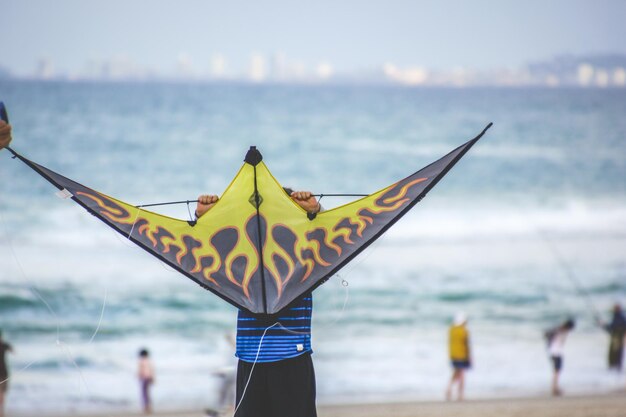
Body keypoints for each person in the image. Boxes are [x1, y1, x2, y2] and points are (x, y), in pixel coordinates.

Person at [195, 190, 321, 417]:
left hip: (293, 358)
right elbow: (208, 249)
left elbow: (333, 242)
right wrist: (205, 217)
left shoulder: (305, 257)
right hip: (250, 359)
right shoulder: (243, 260)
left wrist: (315, 212)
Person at [545, 318, 575, 396]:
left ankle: (555, 388)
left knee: (557, 371)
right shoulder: (560, 330)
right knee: (557, 371)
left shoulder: (559, 330)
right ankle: (554, 388)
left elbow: (548, 335)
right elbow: (549, 335)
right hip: (556, 352)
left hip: (553, 352)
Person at [445, 312, 471, 401]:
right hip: (462, 354)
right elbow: (466, 344)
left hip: (453, 355)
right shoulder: (464, 331)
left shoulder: (451, 330)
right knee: (462, 374)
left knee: (455, 372)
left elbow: (450, 343)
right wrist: (469, 356)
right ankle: (460, 394)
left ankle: (449, 388)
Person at [597, 303, 626, 371]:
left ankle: (614, 376)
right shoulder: (621, 318)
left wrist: (603, 325)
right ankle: (615, 375)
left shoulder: (618, 318)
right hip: (619, 340)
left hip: (616, 341)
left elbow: (611, 328)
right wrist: (603, 325)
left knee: (613, 359)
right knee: (617, 359)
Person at [0, 330, 14, 417]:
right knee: (2, 393)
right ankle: (2, 411)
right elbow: (13, 351)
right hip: (4, 371)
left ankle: (1, 411)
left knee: (2, 392)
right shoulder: (4, 345)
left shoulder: (5, 345)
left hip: (4, 371)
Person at [137, 348, 155, 414]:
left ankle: (146, 407)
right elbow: (152, 370)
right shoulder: (149, 361)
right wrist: (153, 378)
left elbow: (140, 370)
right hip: (149, 377)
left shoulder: (141, 361)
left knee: (144, 393)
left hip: (144, 378)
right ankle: (149, 407)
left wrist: (138, 376)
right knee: (147, 393)